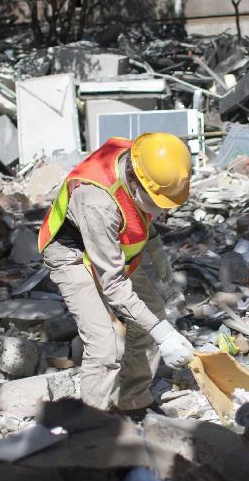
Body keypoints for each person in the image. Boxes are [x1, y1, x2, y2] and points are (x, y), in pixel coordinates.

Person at [38, 132, 194, 416]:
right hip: (70, 252)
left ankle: (134, 401)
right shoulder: (97, 202)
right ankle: (93, 426)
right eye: (158, 205)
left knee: (152, 312)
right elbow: (113, 285)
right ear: (135, 183)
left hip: (109, 245)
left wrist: (155, 245)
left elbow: (139, 209)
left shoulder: (144, 159)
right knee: (103, 343)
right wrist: (164, 335)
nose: (160, 212)